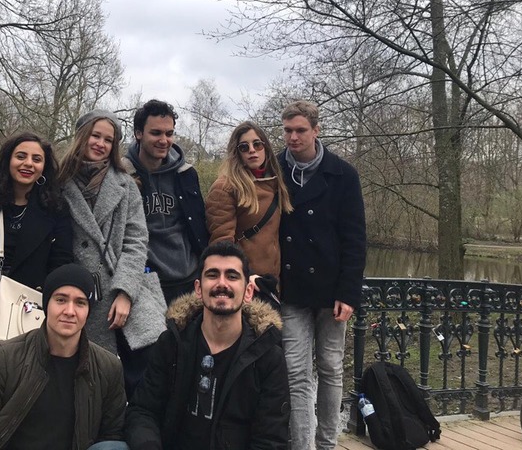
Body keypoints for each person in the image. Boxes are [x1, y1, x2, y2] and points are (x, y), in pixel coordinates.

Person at [0, 264, 129, 450]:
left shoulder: (107, 367)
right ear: (46, 304)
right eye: (61, 300)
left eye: (80, 303)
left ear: (89, 310)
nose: (70, 311)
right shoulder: (5, 357)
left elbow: (112, 435)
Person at [125, 241, 291, 450]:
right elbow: (142, 411)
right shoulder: (172, 343)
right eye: (212, 275)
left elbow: (270, 440)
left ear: (248, 291)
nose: (222, 283)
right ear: (198, 288)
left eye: (232, 276)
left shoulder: (268, 358)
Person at [277, 100, 366, 450]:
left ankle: (327, 443)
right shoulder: (275, 171)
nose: (293, 137)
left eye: (300, 130)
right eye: (288, 130)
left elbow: (355, 239)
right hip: (291, 290)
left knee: (330, 368)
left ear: (316, 130)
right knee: (295, 371)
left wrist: (349, 292)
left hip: (331, 292)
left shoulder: (343, 174)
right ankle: (302, 446)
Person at [59, 109, 167, 397]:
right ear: (81, 136)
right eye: (95, 136)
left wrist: (125, 292)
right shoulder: (59, 183)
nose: (101, 144)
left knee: (146, 380)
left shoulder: (125, 184)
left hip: (126, 288)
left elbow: (136, 240)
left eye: (109, 140)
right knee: (91, 384)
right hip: (82, 297)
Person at [0, 132, 73, 388]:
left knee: (17, 388)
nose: (28, 163)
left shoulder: (55, 209)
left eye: (36, 159)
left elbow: (61, 262)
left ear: (44, 167)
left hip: (26, 313)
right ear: (7, 160)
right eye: (21, 156)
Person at [122, 99, 209, 305]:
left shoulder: (186, 174)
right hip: (146, 282)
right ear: (138, 133)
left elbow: (199, 226)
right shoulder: (123, 176)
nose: (164, 140)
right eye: (156, 133)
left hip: (189, 278)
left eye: (169, 134)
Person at [205, 121, 292, 290]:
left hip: (272, 283)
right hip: (244, 283)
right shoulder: (225, 187)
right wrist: (247, 275)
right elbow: (222, 245)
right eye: (244, 147)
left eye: (257, 144)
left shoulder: (277, 184)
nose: (252, 150)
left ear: (265, 148)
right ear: (236, 153)